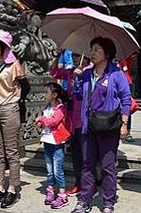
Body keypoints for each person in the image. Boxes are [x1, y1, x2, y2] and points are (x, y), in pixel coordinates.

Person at [71, 37, 131, 213]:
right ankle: (84, 200)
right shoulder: (87, 74)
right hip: (88, 125)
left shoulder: (116, 74)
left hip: (108, 127)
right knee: (87, 165)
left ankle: (108, 202)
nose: (93, 53)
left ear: (107, 53)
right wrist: (77, 78)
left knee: (107, 166)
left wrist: (124, 124)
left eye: (97, 49)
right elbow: (79, 97)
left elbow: (126, 99)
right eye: (92, 49)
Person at [0, 31, 26, 209]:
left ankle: (12, 189)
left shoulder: (14, 65)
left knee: (12, 152)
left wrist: (14, 99)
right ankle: (0, 187)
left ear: (4, 47)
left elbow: (26, 86)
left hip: (9, 110)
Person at [50, 53, 88, 196]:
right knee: (76, 154)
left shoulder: (91, 71)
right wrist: (58, 56)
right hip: (72, 119)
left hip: (86, 120)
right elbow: (54, 72)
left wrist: (82, 75)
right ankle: (79, 182)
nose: (76, 57)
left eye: (78, 55)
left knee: (86, 155)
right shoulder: (71, 72)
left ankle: (89, 184)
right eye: (74, 55)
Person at [36, 82, 71, 210]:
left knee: (58, 170)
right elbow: (47, 122)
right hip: (47, 141)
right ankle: (50, 189)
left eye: (47, 92)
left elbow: (54, 121)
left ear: (54, 95)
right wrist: (41, 123)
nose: (44, 95)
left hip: (57, 143)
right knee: (50, 169)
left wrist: (41, 120)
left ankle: (62, 195)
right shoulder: (48, 107)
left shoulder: (60, 108)